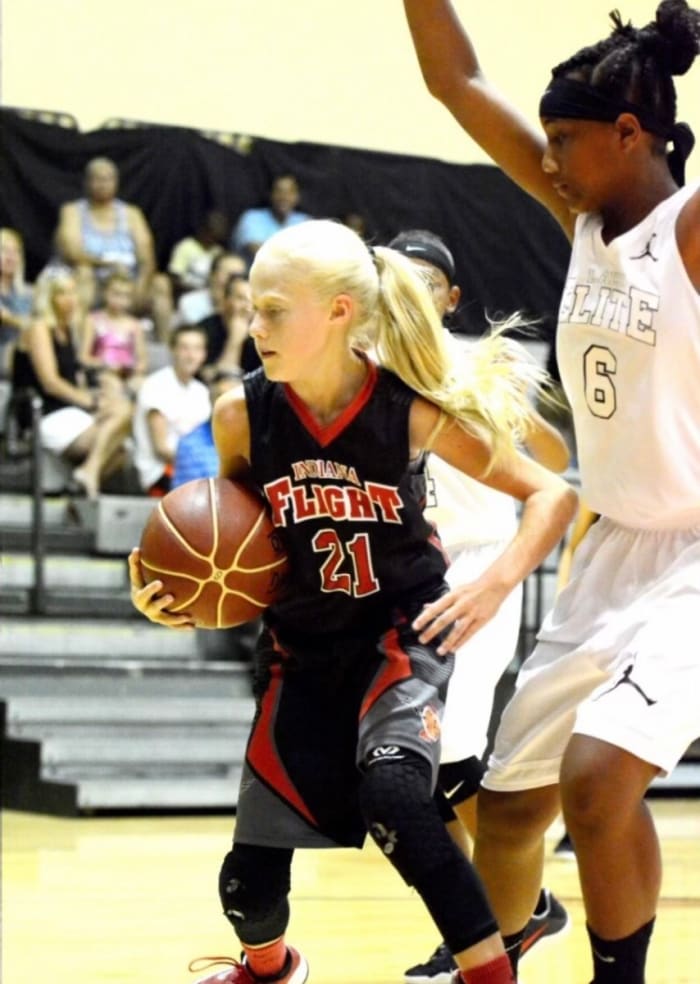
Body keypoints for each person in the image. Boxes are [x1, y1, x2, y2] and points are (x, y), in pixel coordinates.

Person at [128, 218, 577, 984]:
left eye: (272, 310)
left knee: (400, 796)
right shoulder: (244, 413)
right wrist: (179, 590)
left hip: (399, 637)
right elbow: (231, 535)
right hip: (302, 649)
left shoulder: (406, 408)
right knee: (247, 889)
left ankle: (488, 970)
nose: (253, 325)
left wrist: (493, 584)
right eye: (250, 308)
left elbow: (549, 492)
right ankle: (268, 969)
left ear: (339, 313)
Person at [402, 2, 700, 981]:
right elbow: (455, 83)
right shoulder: (577, 218)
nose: (551, 158)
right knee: (514, 806)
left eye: (566, 139)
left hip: (695, 553)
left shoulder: (685, 234)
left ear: (630, 133)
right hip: (608, 550)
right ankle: (504, 946)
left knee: (598, 777)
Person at [389, 229, 571, 983]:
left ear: (451, 298)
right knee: (419, 770)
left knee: (448, 749)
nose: (413, 294)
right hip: (406, 570)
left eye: (427, 282)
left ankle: (494, 919)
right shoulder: (366, 367)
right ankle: (509, 909)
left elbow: (555, 462)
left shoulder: (474, 364)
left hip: (481, 563)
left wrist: (490, 420)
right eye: (399, 281)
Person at [12, 271, 132, 498]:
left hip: (69, 410)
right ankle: (88, 472)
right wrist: (91, 401)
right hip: (43, 412)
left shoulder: (67, 332)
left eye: (72, 293)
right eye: (63, 294)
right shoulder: (38, 328)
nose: (71, 299)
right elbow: (50, 383)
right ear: (49, 297)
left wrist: (100, 394)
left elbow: (74, 378)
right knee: (118, 430)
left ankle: (85, 476)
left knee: (122, 447)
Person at [54, 156, 173, 341]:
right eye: (97, 178)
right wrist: (107, 263)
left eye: (108, 179)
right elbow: (72, 252)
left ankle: (166, 349)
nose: (102, 184)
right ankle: (77, 346)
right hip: (94, 281)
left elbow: (147, 258)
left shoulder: (132, 214)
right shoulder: (72, 211)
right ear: (87, 182)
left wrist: (139, 289)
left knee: (161, 283)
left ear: (116, 182)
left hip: (128, 281)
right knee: (83, 274)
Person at [131, 324, 210, 495]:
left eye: (197, 349)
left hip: (194, 469)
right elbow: (161, 449)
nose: (191, 356)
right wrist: (205, 464)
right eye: (184, 348)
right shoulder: (156, 385)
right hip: (161, 471)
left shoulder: (201, 391)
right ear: (172, 350)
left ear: (204, 354)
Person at [78, 270, 149, 397]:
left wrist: (133, 369)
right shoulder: (93, 320)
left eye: (126, 296)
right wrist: (104, 364)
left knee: (143, 387)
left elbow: (142, 360)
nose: (120, 300)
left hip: (127, 373)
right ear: (106, 293)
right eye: (116, 294)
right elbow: (83, 358)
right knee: (113, 385)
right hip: (101, 372)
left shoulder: (134, 325)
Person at [231, 174, 311, 266]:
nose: (284, 197)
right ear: (270, 194)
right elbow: (262, 256)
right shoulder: (252, 218)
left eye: (290, 192)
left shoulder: (304, 222)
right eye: (279, 191)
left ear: (297, 196)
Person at [198, 273, 261, 381]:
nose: (247, 306)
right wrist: (234, 341)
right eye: (241, 298)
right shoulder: (204, 330)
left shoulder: (263, 333)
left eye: (252, 300)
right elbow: (211, 380)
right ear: (225, 300)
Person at [167, 209, 230, 299]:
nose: (212, 241)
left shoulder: (218, 251)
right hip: (186, 294)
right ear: (203, 230)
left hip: (211, 296)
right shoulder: (186, 246)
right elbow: (174, 277)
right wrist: (197, 290)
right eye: (211, 236)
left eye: (216, 238)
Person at [176, 251, 248, 328]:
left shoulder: (249, 305)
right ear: (212, 274)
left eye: (239, 276)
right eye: (229, 274)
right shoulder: (190, 302)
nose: (232, 280)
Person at [0, 228, 34, 378]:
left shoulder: (30, 293)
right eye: (4, 250)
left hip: (26, 356)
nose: (11, 257)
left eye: (16, 251)